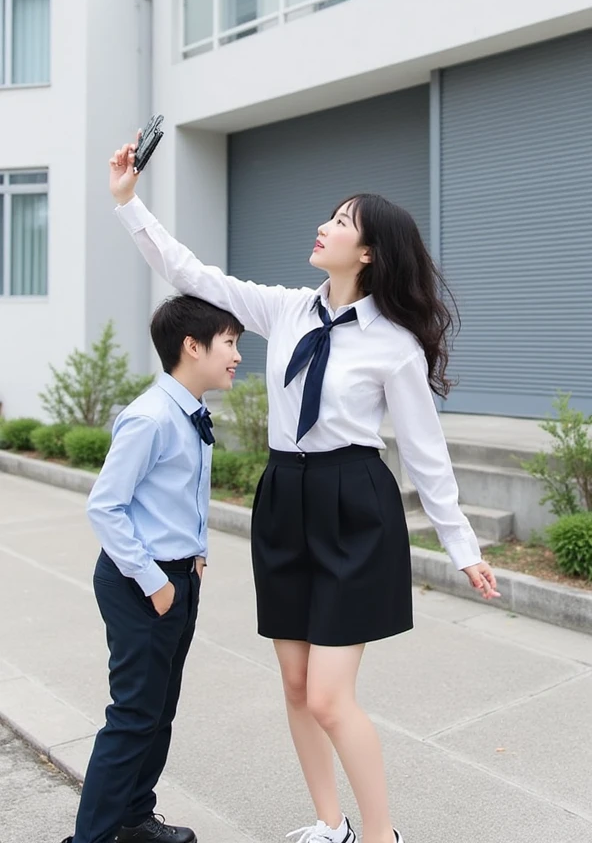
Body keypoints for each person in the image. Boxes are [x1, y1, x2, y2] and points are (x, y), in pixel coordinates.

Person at [109, 141, 500, 843]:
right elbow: (188, 271)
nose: (325, 224)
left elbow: (425, 452)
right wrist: (128, 202)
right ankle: (332, 822)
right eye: (329, 215)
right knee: (294, 687)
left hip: (355, 506)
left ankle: (382, 837)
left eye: (343, 220)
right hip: (284, 497)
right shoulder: (285, 309)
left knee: (328, 696)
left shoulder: (396, 345)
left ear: (371, 252)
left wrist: (460, 542)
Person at [60, 294, 243, 843]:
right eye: (230, 343)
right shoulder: (150, 416)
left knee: (159, 712)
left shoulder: (190, 410)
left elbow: (184, 495)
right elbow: (105, 506)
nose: (237, 356)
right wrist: (156, 581)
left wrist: (198, 554)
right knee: (133, 715)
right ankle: (90, 838)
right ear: (193, 346)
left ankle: (135, 820)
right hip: (141, 581)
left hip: (177, 576)